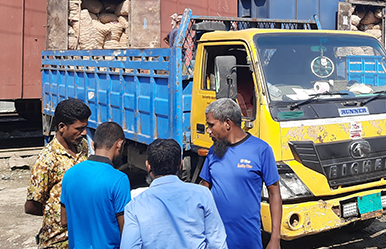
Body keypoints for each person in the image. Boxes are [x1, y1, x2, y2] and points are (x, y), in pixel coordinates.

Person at [199, 98, 282, 249]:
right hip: (215, 240)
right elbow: (204, 187)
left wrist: (275, 238)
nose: (208, 130)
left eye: (211, 125)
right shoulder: (214, 151)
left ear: (227, 124)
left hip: (247, 240)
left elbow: (274, 193)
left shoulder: (261, 150)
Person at [120, 139, 227, 249]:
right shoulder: (202, 194)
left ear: (148, 165)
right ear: (180, 164)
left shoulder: (135, 204)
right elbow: (217, 243)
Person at [25, 98, 90, 249]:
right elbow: (31, 206)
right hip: (57, 242)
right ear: (62, 127)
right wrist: (57, 214)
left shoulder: (82, 146)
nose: (84, 132)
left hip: (81, 236)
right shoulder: (47, 160)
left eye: (85, 127)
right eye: (79, 128)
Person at [60, 121, 131, 249]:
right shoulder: (119, 179)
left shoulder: (70, 174)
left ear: (93, 144)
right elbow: (125, 230)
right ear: (119, 144)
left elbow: (64, 220)